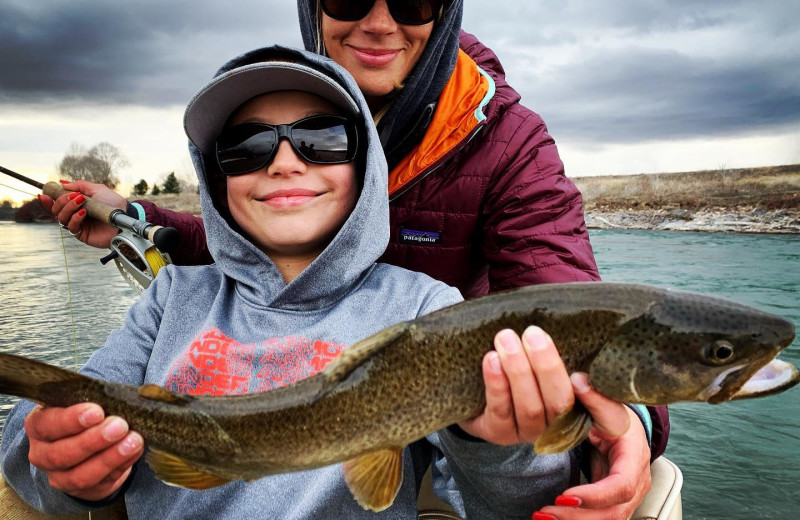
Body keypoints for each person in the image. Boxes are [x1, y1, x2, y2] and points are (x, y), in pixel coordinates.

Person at [43, 1, 669, 518]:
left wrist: (628, 419)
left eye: (324, 140)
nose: (378, 22)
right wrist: (148, 223)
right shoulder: (174, 298)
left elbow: (570, 305)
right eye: (246, 146)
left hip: (441, 405)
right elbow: (263, 238)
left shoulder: (508, 146)